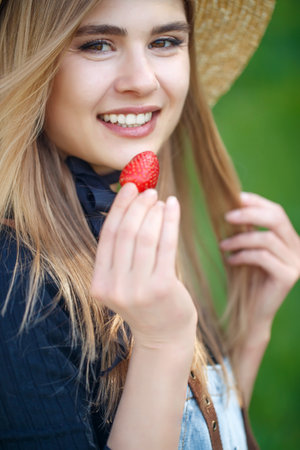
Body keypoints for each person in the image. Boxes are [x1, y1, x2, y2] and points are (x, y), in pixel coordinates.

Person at [0, 0, 299, 449]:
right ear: (32, 60)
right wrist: (162, 344)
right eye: (97, 44)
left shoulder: (120, 229)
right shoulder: (15, 284)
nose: (142, 81)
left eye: (165, 41)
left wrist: (249, 332)